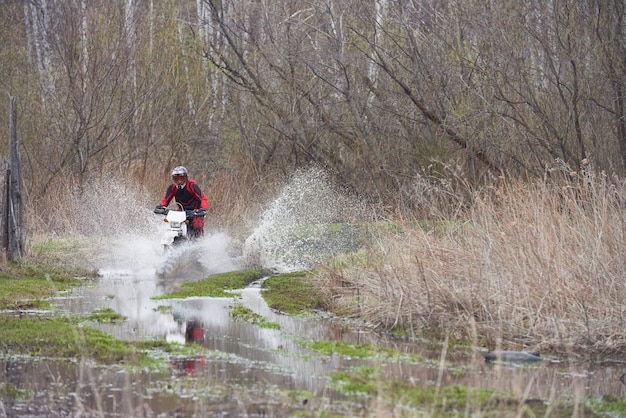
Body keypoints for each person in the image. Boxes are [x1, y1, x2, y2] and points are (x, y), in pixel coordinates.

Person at [154, 166, 209, 238]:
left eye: (181, 178)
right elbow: (166, 200)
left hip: (195, 211)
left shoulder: (192, 186)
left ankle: (198, 243)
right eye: (176, 179)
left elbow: (203, 198)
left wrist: (202, 209)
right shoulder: (172, 188)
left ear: (186, 178)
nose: (179, 181)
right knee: (173, 223)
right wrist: (161, 207)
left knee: (197, 225)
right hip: (181, 211)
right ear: (173, 179)